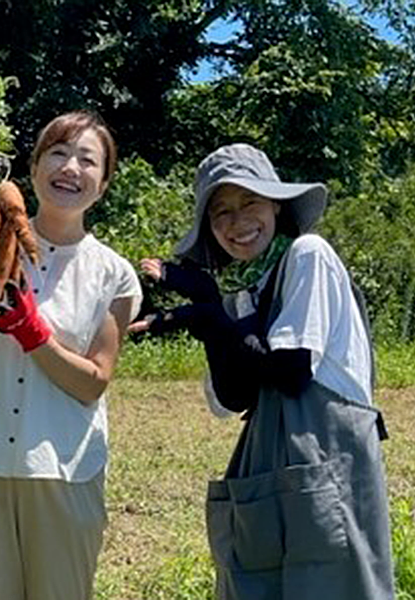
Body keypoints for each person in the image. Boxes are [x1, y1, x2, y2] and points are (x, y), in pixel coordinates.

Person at [134, 143, 394, 599]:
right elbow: (234, 396)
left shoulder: (308, 256)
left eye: (249, 201)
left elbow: (292, 370)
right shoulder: (250, 294)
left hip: (327, 465)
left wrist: (213, 319)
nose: (237, 222)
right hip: (278, 471)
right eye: (221, 212)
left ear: (276, 202)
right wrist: (212, 311)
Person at [0, 111, 142, 600]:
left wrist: (33, 335)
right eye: (58, 153)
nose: (71, 168)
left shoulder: (114, 275)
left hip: (63, 468)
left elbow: (93, 381)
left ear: (102, 185)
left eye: (88, 160)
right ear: (35, 167)